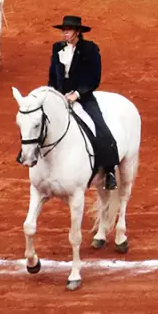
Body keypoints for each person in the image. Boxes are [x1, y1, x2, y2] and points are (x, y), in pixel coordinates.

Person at [46, 15, 119, 190]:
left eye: (68, 30)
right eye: (63, 30)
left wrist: (77, 94)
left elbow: (94, 78)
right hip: (60, 96)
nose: (64, 33)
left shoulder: (90, 49)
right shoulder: (57, 48)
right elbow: (52, 75)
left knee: (100, 127)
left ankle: (109, 170)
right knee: (39, 121)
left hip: (83, 97)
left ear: (77, 32)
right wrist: (52, 94)